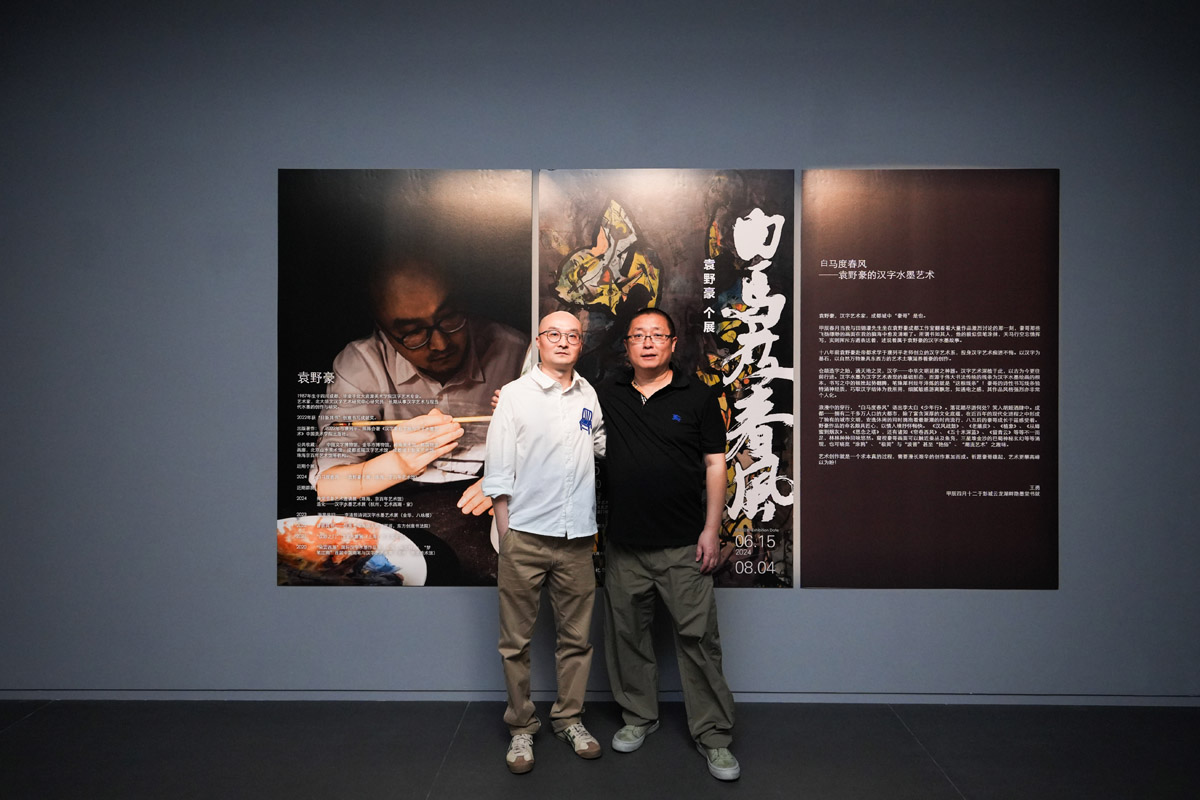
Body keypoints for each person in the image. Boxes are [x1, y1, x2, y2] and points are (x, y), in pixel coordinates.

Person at [309, 257, 527, 583]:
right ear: (383, 330)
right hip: (395, 505)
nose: (440, 344)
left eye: (449, 319)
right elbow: (328, 485)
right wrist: (398, 462)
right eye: (412, 333)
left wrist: (515, 471)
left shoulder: (516, 351)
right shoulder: (361, 364)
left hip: (489, 509)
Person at [597, 307, 741, 781]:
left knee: (699, 640)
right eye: (638, 335)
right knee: (627, 638)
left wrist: (711, 528)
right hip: (625, 544)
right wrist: (510, 398)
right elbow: (558, 407)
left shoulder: (698, 396)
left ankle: (714, 736)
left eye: (657, 335)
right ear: (627, 345)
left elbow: (715, 464)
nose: (647, 342)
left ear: (673, 344)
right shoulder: (607, 392)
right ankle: (639, 716)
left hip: (684, 544)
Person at [482, 311, 606, 774]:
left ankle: (569, 719)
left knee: (577, 640)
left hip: (577, 538)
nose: (563, 341)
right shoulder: (514, 395)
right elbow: (497, 469)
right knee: (515, 641)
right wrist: (507, 532)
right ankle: (521, 726)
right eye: (554, 334)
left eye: (572, 335)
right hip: (525, 536)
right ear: (539, 341)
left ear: (580, 344)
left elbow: (600, 445)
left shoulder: (589, 394)